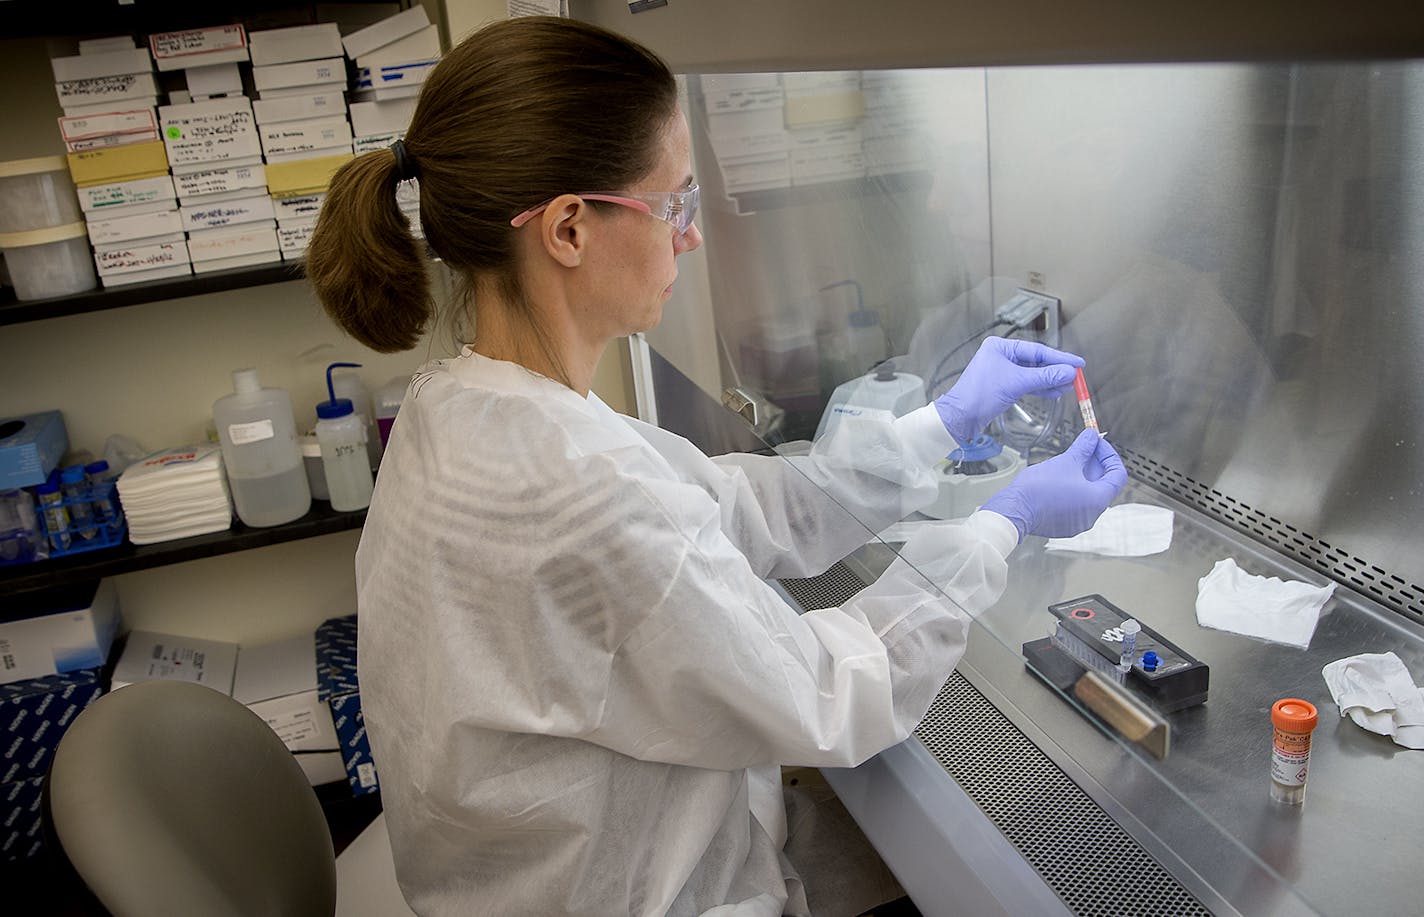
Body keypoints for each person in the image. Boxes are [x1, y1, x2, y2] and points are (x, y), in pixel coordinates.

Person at [306, 16, 1126, 917]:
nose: (689, 238)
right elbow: (830, 692)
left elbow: (721, 507)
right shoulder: (573, 491)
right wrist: (998, 529)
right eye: (674, 206)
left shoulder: (461, 406)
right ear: (570, 229)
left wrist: (937, 425)